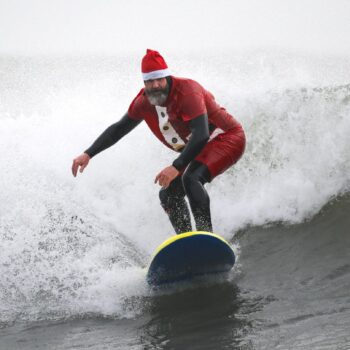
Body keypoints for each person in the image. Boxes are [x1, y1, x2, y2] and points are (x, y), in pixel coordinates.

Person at [72, 49, 245, 234]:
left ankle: (206, 237)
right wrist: (88, 153)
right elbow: (119, 129)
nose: (155, 85)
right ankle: (188, 242)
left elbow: (201, 134)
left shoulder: (188, 91)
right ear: (144, 82)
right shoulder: (143, 102)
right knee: (168, 194)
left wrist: (176, 166)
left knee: (191, 177)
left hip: (228, 137)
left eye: (159, 79)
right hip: (201, 147)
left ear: (167, 77)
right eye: (149, 81)